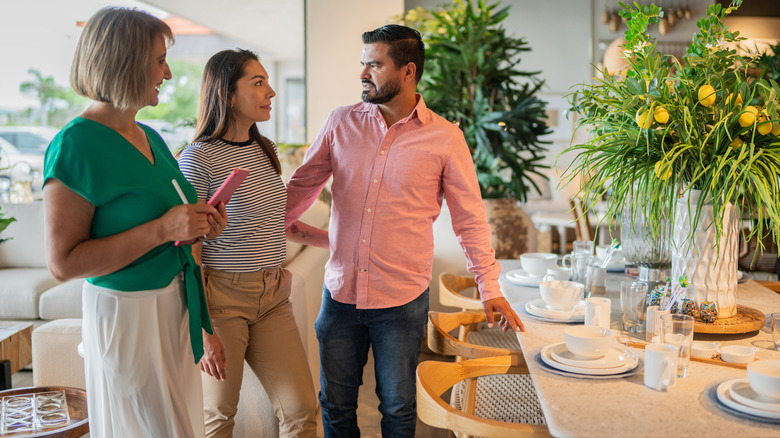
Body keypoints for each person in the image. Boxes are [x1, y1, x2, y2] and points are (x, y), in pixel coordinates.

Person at [284, 24, 524, 437]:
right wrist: (255, 221)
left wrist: (489, 286)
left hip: (401, 300)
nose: (362, 74)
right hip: (339, 295)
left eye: (374, 65)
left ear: (408, 71)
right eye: (362, 64)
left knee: (397, 408)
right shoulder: (340, 123)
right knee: (335, 405)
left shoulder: (446, 138)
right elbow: (300, 189)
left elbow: (469, 218)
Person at [43, 7, 227, 437]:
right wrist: (165, 229)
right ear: (125, 62)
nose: (167, 73)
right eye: (159, 60)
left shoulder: (150, 136)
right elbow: (63, 264)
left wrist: (198, 225)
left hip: (173, 309)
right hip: (128, 319)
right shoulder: (76, 146)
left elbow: (176, 223)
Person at [177, 49, 321, 438]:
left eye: (267, 82)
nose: (271, 92)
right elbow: (189, 250)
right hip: (222, 301)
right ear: (226, 93)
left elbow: (274, 223)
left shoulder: (265, 149)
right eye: (258, 83)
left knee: (302, 409)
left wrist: (333, 239)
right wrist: (204, 328)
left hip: (272, 297)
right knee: (218, 416)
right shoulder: (198, 159)